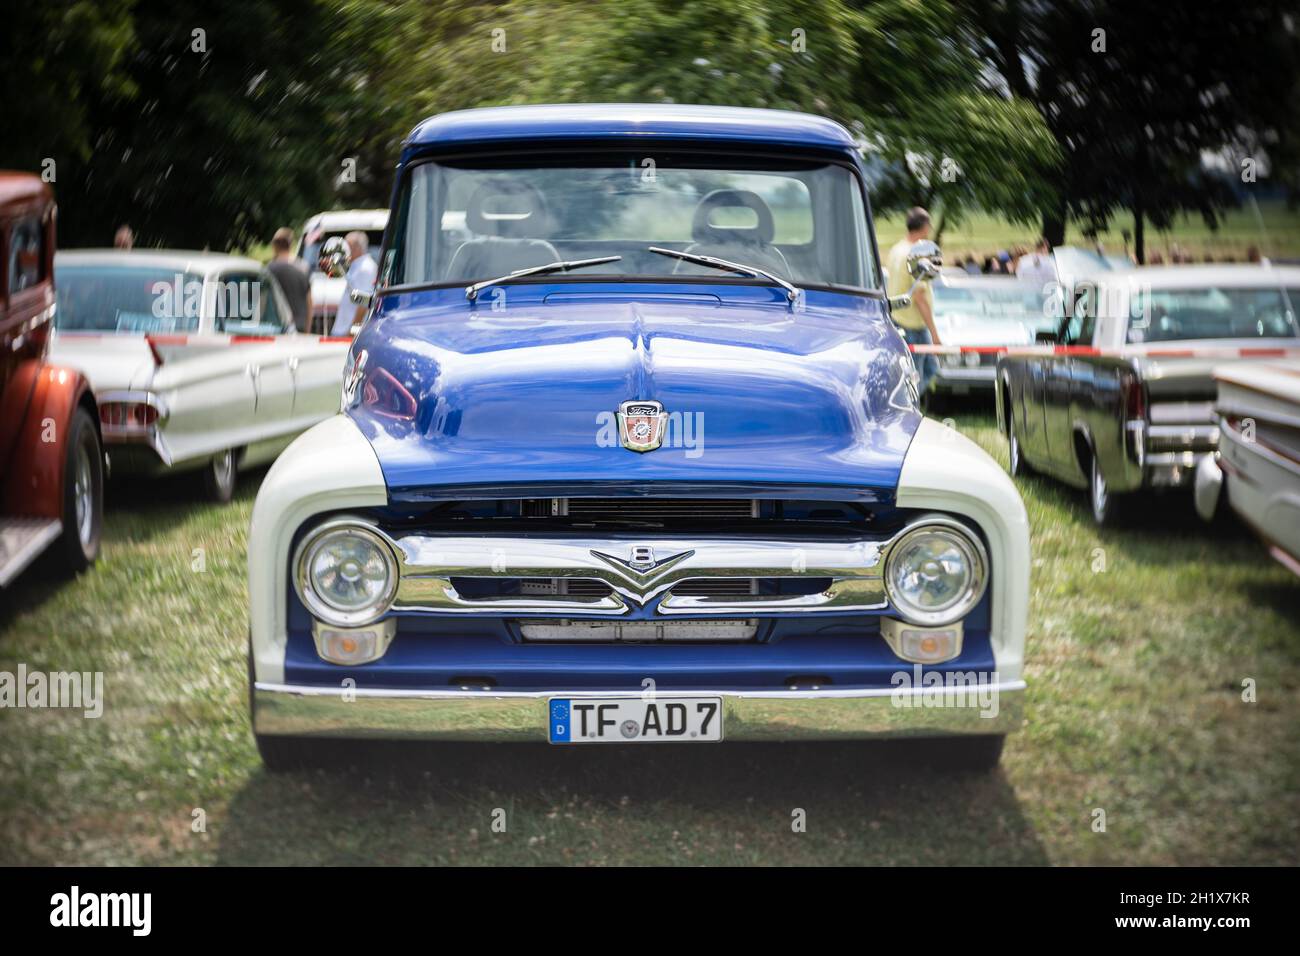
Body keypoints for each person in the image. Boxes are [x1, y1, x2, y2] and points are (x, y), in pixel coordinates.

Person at [885, 207, 941, 396]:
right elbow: (919, 297)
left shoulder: (897, 249)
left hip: (898, 319)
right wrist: (934, 333)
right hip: (914, 325)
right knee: (916, 378)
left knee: (922, 371)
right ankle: (909, 410)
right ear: (924, 227)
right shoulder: (915, 255)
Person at [331, 231, 378, 337]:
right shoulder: (358, 266)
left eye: (346, 247)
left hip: (348, 333)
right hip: (342, 330)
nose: (343, 251)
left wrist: (352, 331)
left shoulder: (366, 268)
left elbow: (364, 302)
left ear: (356, 248)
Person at [266, 227, 312, 332]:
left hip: (277, 326)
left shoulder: (270, 268)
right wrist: (308, 329)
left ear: (275, 246)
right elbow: (309, 301)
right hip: (300, 325)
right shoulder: (303, 266)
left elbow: (263, 300)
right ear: (290, 244)